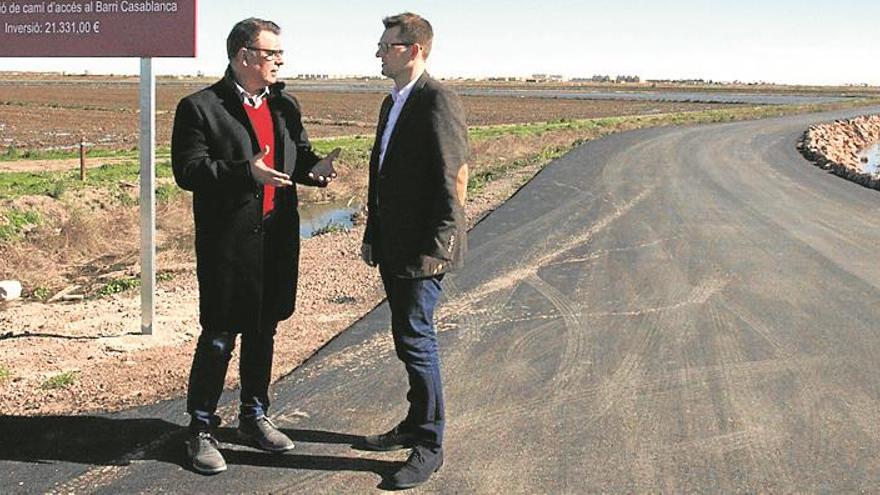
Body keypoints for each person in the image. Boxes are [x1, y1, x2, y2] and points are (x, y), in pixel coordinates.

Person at [171, 17, 339, 475]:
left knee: (264, 330)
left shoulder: (285, 104)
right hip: (228, 244)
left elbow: (297, 156)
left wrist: (314, 170)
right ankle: (200, 429)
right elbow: (188, 171)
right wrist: (247, 172)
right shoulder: (200, 107)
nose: (280, 62)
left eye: (281, 54)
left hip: (277, 240)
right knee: (221, 335)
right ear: (244, 56)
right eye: (273, 54)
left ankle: (254, 416)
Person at [358, 12, 470, 490]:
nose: (379, 52)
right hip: (393, 243)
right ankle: (414, 422)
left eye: (386, 45)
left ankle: (430, 443)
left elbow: (454, 178)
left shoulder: (436, 100)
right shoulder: (394, 102)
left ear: (413, 49)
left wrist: (439, 248)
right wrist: (372, 233)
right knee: (408, 340)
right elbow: (381, 170)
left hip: (423, 249)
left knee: (417, 342)